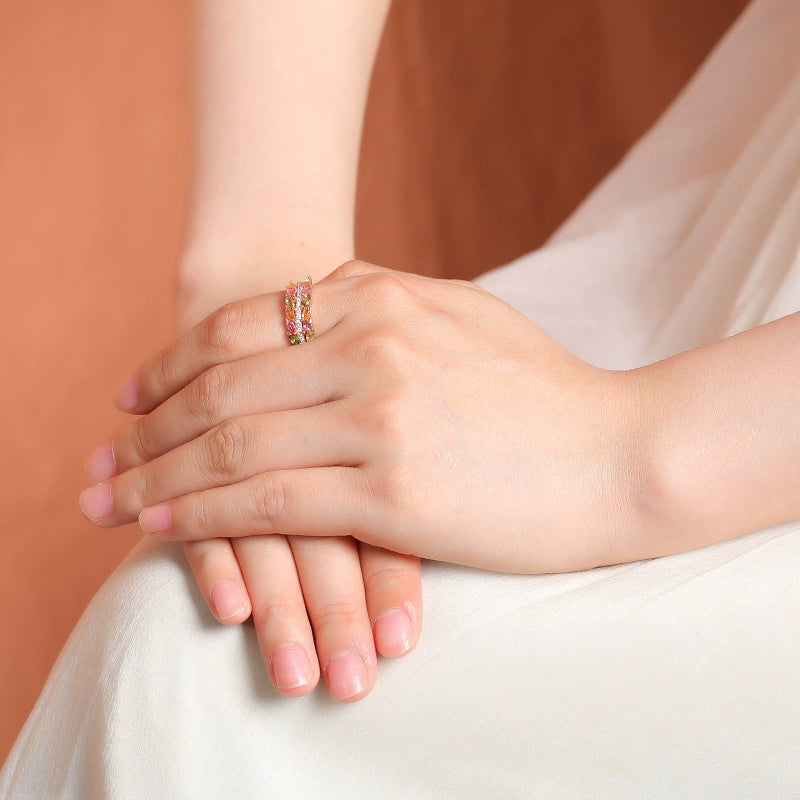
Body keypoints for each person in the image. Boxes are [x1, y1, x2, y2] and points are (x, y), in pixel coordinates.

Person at [3, 0, 800, 796]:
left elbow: (637, 458)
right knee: (180, 646)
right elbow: (270, 267)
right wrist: (265, 264)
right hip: (729, 241)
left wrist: (630, 451)